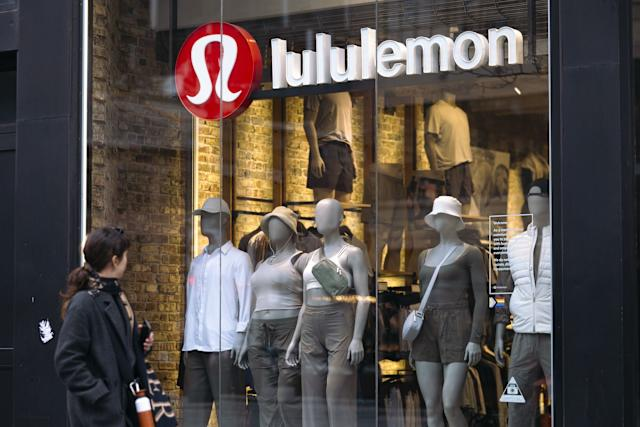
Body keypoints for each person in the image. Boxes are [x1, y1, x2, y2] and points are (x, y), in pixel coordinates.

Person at [54, 227, 153, 427]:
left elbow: (117, 347)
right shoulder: (84, 302)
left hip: (122, 407)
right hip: (97, 414)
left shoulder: (116, 295)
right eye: (125, 256)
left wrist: (139, 343)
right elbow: (67, 361)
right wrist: (100, 394)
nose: (127, 261)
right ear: (115, 260)